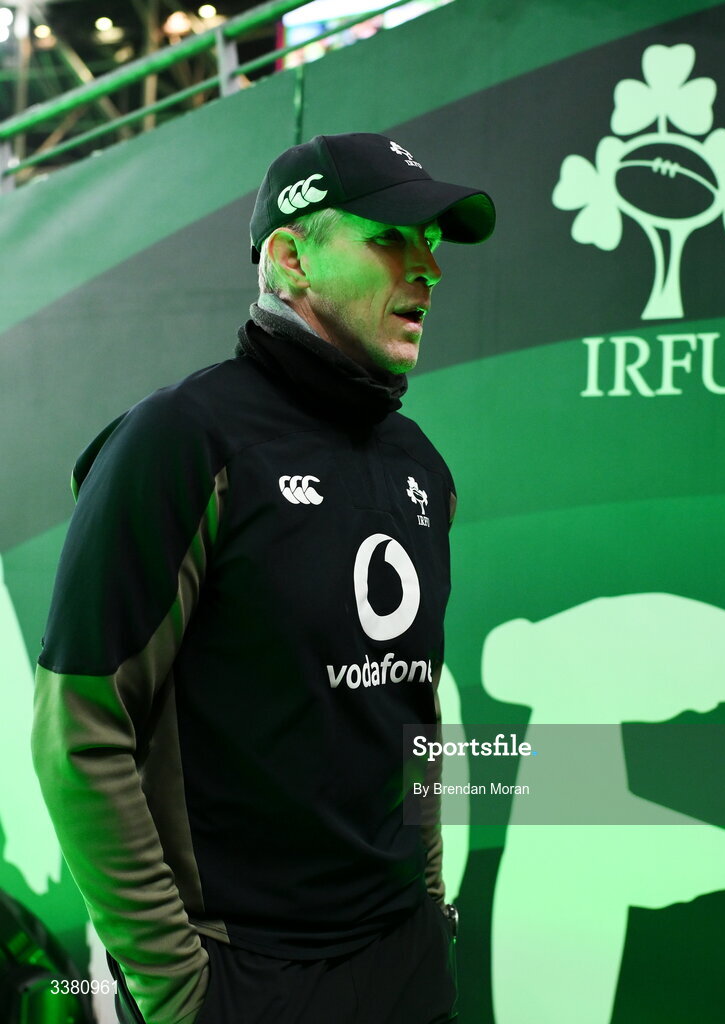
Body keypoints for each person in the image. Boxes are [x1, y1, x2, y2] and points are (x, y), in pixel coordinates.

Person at [31, 132, 495, 1024]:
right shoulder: (180, 440)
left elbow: (407, 709)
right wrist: (175, 986)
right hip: (245, 976)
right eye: (392, 238)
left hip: (403, 958)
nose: (428, 269)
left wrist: (429, 905)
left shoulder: (418, 464)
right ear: (290, 259)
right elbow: (78, 734)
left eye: (433, 243)